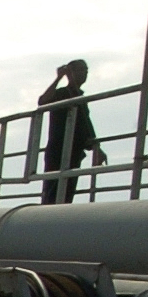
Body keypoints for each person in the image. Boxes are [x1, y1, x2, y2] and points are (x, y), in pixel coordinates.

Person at [37, 59, 106, 203]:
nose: (84, 73)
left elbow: (85, 124)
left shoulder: (80, 96)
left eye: (86, 70)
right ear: (71, 72)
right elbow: (42, 101)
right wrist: (59, 78)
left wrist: (96, 147)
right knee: (53, 190)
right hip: (58, 149)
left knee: (67, 191)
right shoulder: (62, 93)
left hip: (74, 151)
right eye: (80, 70)